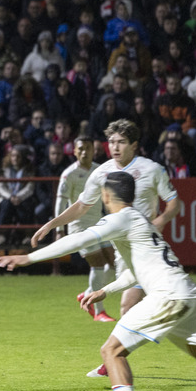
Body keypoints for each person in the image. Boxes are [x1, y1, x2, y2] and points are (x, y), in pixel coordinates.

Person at [0, 171, 196, 391]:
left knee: (111, 351)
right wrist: (105, 290)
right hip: (189, 295)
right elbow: (138, 270)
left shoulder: (120, 219)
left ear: (106, 195)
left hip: (167, 297)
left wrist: (28, 258)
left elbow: (79, 239)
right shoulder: (139, 221)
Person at [30, 119, 181, 377]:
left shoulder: (151, 169)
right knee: (158, 311)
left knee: (129, 307)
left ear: (134, 144)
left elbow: (174, 203)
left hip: (147, 252)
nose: (115, 147)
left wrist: (159, 221)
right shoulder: (101, 173)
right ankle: (117, 356)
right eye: (111, 142)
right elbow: (81, 206)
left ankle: (111, 360)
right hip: (124, 252)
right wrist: (52, 224)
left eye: (121, 142)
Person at [56, 133, 115, 322]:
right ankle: (99, 311)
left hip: (99, 223)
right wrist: (59, 229)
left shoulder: (100, 171)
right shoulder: (69, 174)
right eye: (80, 148)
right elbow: (61, 202)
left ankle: (87, 294)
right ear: (74, 151)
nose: (84, 152)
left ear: (93, 150)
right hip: (79, 227)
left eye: (87, 148)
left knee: (115, 264)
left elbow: (106, 197)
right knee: (97, 264)